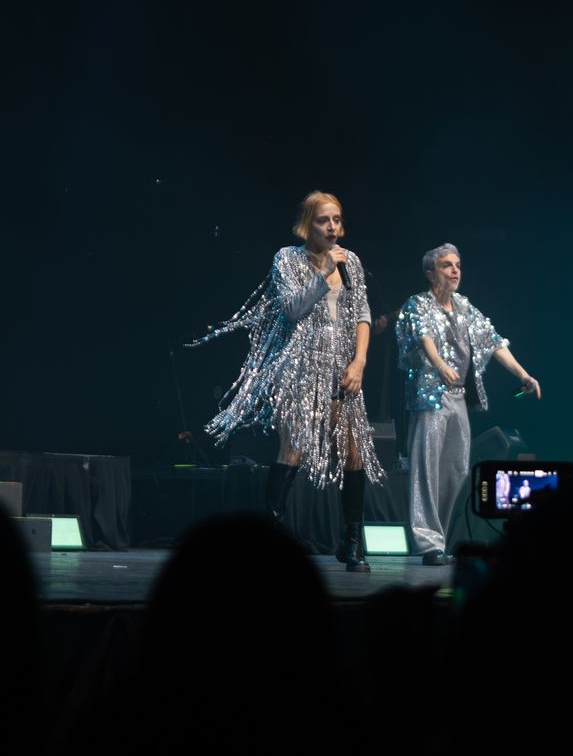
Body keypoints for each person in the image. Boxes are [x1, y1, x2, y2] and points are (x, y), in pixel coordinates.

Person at [190, 192, 383, 571]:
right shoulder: (288, 259)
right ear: (306, 224)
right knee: (292, 449)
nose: (332, 228)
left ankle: (352, 541)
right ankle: (272, 535)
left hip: (343, 369)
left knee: (354, 451)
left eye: (337, 220)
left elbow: (362, 313)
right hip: (301, 368)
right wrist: (324, 271)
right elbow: (294, 309)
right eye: (323, 220)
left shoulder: (353, 261)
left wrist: (359, 362)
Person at [396, 243, 541, 566]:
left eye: (457, 264)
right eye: (447, 265)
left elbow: (492, 340)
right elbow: (424, 337)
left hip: (458, 396)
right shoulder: (417, 304)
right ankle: (427, 542)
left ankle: (439, 539)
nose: (455, 270)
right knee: (426, 469)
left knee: (456, 470)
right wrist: (439, 365)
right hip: (429, 397)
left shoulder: (463, 306)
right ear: (431, 273)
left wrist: (524, 374)